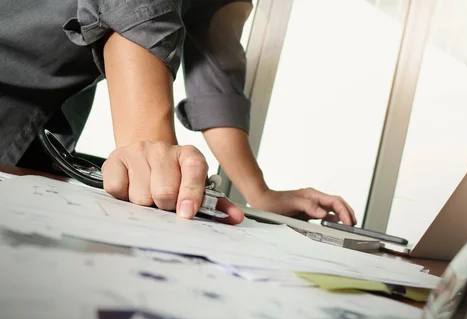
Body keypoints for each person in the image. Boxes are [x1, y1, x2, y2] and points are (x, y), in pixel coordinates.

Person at [0, 0, 357, 226]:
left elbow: (216, 79)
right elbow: (133, 10)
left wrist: (259, 193)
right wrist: (151, 145)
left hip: (47, 116)